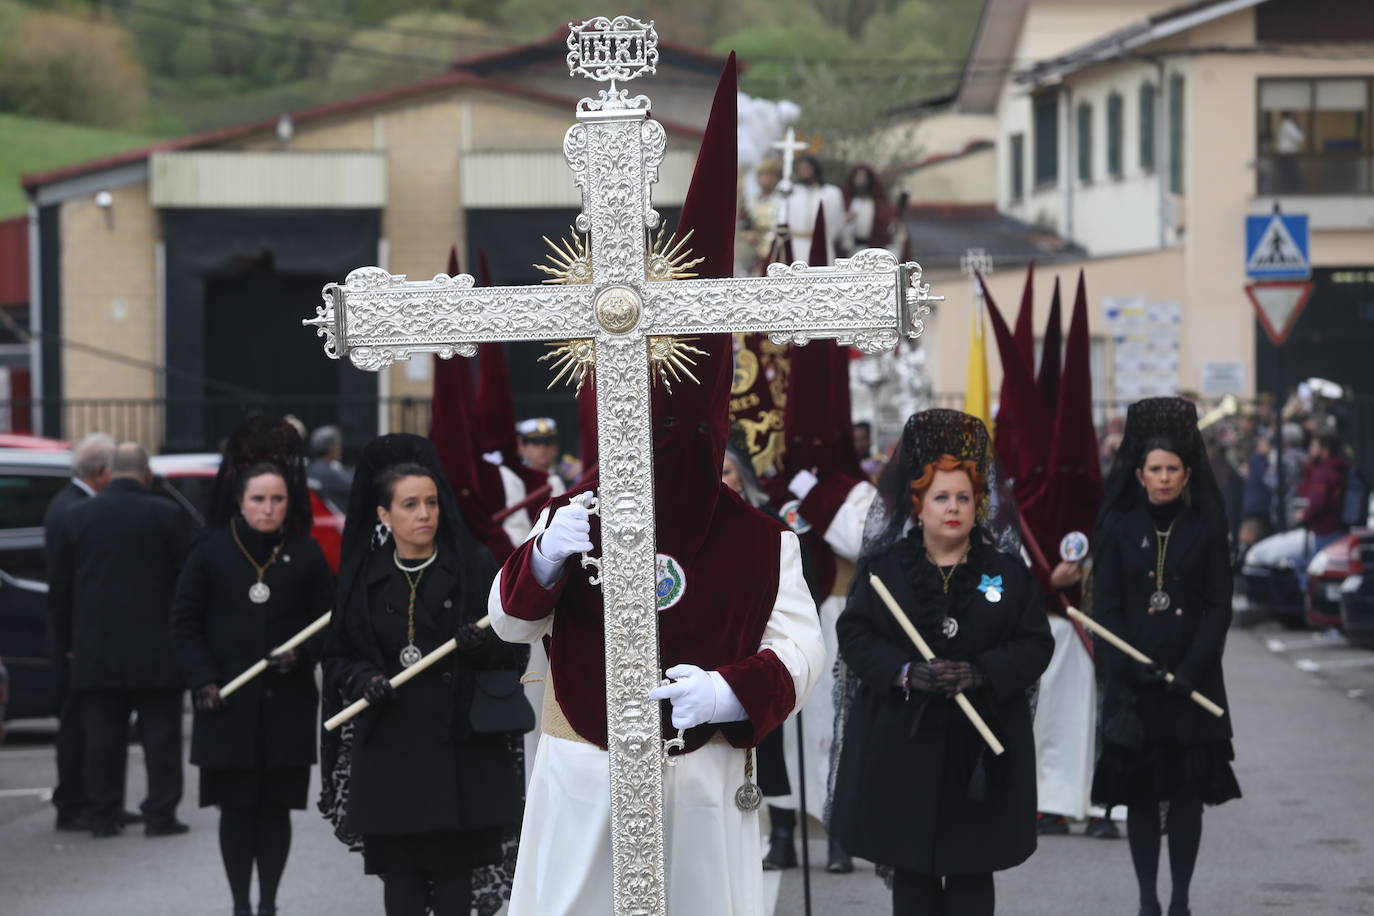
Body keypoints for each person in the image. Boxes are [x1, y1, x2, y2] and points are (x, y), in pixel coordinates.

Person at [487, 60, 826, 914]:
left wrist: (733, 688)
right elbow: (506, 620)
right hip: (580, 772)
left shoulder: (760, 540)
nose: (660, 462)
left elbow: (802, 650)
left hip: (704, 778)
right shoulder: (575, 519)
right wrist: (544, 559)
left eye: (682, 445)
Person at [831, 408, 1053, 916]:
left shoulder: (1008, 574)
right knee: (914, 874)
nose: (952, 508)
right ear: (919, 505)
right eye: (941, 498)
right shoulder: (885, 572)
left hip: (980, 751)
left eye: (963, 498)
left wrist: (980, 671)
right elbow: (855, 634)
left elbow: (1035, 644)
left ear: (979, 505)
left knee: (973, 873)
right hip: (905, 746)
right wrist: (906, 671)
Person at [322, 434, 527, 916]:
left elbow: (514, 644)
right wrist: (363, 680)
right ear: (383, 515)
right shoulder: (363, 578)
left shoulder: (472, 566)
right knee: (403, 877)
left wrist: (486, 645)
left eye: (431, 502)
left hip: (460, 747)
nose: (424, 514)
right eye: (409, 504)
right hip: (392, 746)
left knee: (455, 875)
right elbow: (338, 656)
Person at [171, 419, 335, 916]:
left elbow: (330, 624)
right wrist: (202, 679)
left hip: (285, 705)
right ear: (240, 501)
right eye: (259, 500)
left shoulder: (305, 554)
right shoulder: (210, 553)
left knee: (277, 810)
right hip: (226, 704)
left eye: (278, 500)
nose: (268, 509)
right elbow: (184, 624)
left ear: (290, 502)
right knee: (237, 810)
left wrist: (302, 655)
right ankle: (241, 903)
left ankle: (269, 902)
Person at [1090, 397, 1242, 916]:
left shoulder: (1205, 526)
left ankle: (1180, 899)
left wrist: (1193, 668)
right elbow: (1104, 606)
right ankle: (1146, 899)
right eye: (1154, 469)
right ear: (1138, 473)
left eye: (1172, 469)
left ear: (1185, 472)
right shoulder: (1116, 527)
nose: (1163, 478)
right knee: (1139, 795)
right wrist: (1130, 666)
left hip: (1192, 680)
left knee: (1184, 797)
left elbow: (1220, 604)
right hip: (1134, 682)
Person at [50, 442, 192, 838]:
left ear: (109, 473)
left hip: (96, 649)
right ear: (146, 474)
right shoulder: (168, 515)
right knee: (161, 738)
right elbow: (187, 586)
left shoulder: (77, 517)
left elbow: (60, 590)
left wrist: (64, 643)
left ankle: (102, 814)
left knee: (102, 739)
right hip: (157, 648)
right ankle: (160, 814)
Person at [42, 432, 127, 833]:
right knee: (77, 728)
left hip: (81, 638)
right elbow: (63, 586)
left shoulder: (71, 505)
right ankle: (74, 803)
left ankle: (93, 800)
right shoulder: (70, 510)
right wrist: (69, 643)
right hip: (77, 640)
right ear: (102, 472)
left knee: (89, 726)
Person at [783, 154, 845, 266]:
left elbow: (836, 223)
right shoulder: (791, 193)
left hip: (822, 244)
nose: (804, 172)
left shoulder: (831, 193)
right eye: (800, 169)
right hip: (796, 245)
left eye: (807, 168)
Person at [839, 163, 895, 257]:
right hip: (850, 250)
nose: (861, 180)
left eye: (864, 177)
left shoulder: (877, 203)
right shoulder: (846, 201)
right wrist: (846, 219)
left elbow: (884, 227)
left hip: (872, 250)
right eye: (858, 176)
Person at [515, 417, 567, 496]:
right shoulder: (516, 480)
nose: (542, 449)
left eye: (547, 443)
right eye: (535, 443)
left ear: (556, 447)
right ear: (522, 447)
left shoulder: (568, 476)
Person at [307, 424, 353, 509]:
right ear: (330, 447)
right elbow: (353, 487)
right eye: (337, 444)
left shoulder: (311, 467)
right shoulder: (328, 472)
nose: (340, 448)